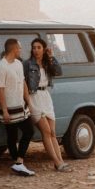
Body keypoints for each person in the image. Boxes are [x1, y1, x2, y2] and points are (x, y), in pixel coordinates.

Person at [24, 37, 71, 172]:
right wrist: (27, 102)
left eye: (39, 47)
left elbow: (58, 72)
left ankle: (60, 162)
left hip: (46, 97)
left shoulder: (46, 63)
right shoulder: (27, 64)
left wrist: (51, 57)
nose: (36, 50)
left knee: (53, 132)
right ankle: (56, 161)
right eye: (34, 48)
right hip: (34, 97)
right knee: (46, 131)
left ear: (44, 49)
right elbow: (23, 83)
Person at [0, 38, 36, 176]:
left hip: (21, 106)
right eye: (19, 48)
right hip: (9, 108)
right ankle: (18, 162)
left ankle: (18, 162)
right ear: (13, 49)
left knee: (28, 131)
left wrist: (28, 100)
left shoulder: (18, 63)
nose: (21, 50)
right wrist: (5, 110)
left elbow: (22, 82)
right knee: (12, 136)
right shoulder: (1, 67)